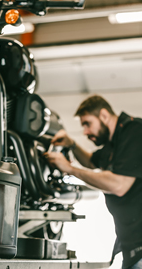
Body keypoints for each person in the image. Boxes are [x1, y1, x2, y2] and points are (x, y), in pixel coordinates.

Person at [44, 95, 142, 269]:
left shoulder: (134, 131)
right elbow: (91, 161)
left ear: (104, 115)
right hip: (132, 246)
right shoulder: (114, 145)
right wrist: (72, 144)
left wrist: (69, 168)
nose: (85, 132)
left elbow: (119, 185)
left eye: (87, 123)